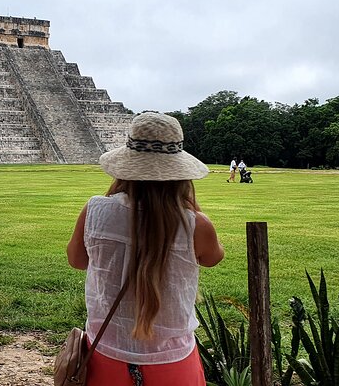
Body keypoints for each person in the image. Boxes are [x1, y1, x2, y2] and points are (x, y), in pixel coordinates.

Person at [67, 112, 224, 386]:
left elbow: (77, 260)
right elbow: (213, 258)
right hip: (172, 358)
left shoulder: (95, 210)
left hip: (106, 349)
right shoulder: (195, 224)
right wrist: (190, 207)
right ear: (180, 173)